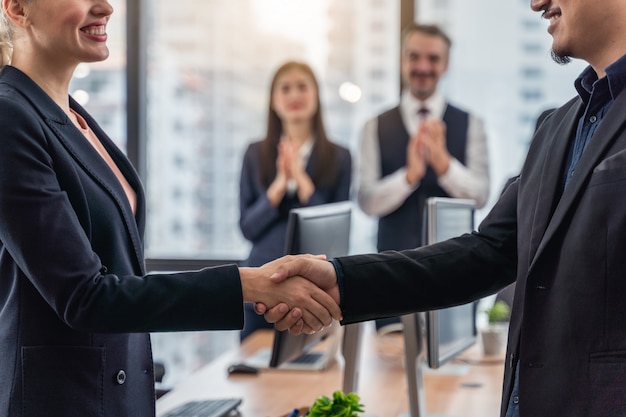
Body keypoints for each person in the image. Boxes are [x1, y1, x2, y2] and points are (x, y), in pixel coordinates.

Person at [262, 0, 626, 416]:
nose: (536, 2)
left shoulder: (473, 124)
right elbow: (485, 253)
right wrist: (339, 281)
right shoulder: (554, 128)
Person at [0, 2, 340, 416]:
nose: (106, 6)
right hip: (64, 400)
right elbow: (85, 296)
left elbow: (121, 273)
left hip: (115, 395)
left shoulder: (73, 117)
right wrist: (248, 284)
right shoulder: (10, 116)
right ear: (17, 8)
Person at [356, 23, 489, 332]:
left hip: (456, 276)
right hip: (390, 276)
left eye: (432, 58)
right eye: (414, 57)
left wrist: (444, 166)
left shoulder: (472, 124)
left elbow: (480, 195)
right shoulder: (374, 126)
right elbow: (366, 201)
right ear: (402, 60)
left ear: (445, 64)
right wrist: (410, 176)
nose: (423, 67)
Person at [238, 60, 351, 339]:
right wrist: (278, 187)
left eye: (302, 87)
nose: (294, 95)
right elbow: (248, 228)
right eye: (285, 88)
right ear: (274, 101)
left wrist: (301, 180)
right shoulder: (255, 153)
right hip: (261, 289)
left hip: (314, 290)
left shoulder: (339, 157)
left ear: (316, 96)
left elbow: (334, 233)